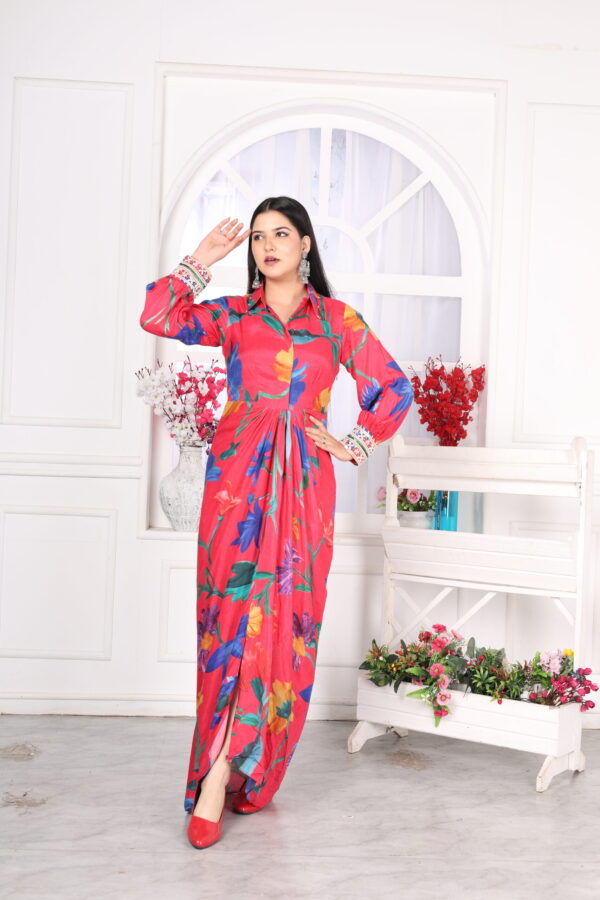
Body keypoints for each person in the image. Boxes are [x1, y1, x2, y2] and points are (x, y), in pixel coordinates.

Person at [140, 196, 414, 849]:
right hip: (235, 486)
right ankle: (215, 773)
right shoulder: (234, 315)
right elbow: (157, 315)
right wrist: (200, 260)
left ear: (306, 244)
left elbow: (394, 386)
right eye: (258, 236)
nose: (266, 245)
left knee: (285, 626)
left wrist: (354, 441)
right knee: (230, 623)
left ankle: (242, 766)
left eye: (280, 234)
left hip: (304, 489)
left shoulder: (337, 321)